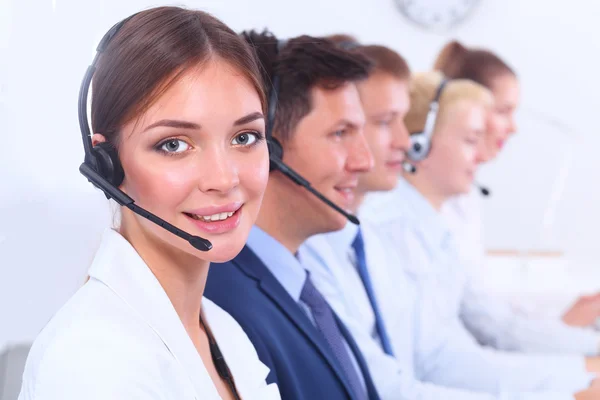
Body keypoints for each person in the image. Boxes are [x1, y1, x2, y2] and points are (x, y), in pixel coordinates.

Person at [302, 39, 600, 400]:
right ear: (421, 144)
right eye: (471, 140)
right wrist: (573, 385)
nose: (482, 155)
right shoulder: (374, 230)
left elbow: (445, 348)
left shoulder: (389, 231)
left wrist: (576, 377)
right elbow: (423, 366)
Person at [18, 7, 280, 399]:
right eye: (174, 145)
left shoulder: (223, 331)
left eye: (244, 137)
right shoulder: (94, 363)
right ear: (107, 166)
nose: (224, 179)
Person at [205, 30, 381, 400]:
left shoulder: (296, 280)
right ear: (269, 148)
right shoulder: (225, 306)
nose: (365, 160)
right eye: (340, 133)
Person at [435, 40, 600, 355]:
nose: (513, 128)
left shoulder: (464, 197)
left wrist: (562, 323)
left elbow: (484, 307)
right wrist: (564, 330)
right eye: (503, 111)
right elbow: (478, 325)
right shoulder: (430, 207)